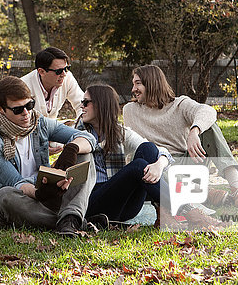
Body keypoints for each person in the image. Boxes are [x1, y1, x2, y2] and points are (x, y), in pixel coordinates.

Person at [78, 84, 223, 229]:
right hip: (93, 204)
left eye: (86, 102)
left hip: (124, 206)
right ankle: (189, 212)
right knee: (139, 166)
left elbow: (160, 150)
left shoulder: (119, 132)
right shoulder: (76, 134)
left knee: (148, 149)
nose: (81, 106)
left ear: (100, 105)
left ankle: (163, 212)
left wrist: (159, 166)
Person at [0, 76, 102, 236]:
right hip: (21, 198)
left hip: (48, 193)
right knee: (2, 197)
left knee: (85, 155)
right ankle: (74, 220)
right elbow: (16, 182)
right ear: (1, 109)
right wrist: (40, 191)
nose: (26, 113)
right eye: (18, 109)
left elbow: (90, 139)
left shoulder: (39, 122)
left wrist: (72, 148)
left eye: (29, 105)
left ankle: (69, 218)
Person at [122, 65, 238, 211]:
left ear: (152, 82)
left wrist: (194, 131)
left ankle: (237, 190)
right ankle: (203, 193)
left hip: (188, 161)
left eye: (137, 83)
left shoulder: (179, 104)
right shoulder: (130, 110)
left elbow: (208, 111)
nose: (133, 89)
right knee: (150, 157)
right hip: (158, 165)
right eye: (133, 84)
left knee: (209, 127)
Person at [21, 47, 84, 120]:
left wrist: (82, 124)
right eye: (58, 71)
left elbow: (82, 104)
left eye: (66, 68)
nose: (64, 74)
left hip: (54, 128)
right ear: (41, 72)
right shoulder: (23, 86)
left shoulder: (67, 78)